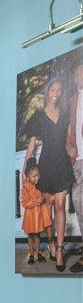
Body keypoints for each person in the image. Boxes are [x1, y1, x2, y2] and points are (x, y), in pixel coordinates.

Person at [24, 76, 73, 271]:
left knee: (60, 204)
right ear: (47, 92)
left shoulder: (65, 114)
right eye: (53, 90)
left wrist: (72, 149)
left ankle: (59, 250)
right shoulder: (38, 117)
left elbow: (69, 137)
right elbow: (31, 148)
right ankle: (51, 242)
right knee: (48, 207)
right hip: (45, 165)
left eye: (59, 90)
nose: (56, 94)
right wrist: (25, 173)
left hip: (62, 163)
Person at [66, 62, 83, 273]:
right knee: (78, 202)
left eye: (80, 74)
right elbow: (70, 127)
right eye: (76, 75)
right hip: (77, 159)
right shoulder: (73, 99)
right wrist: (69, 146)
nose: (77, 77)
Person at [20, 162, 52, 265]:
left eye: (38, 175)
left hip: (37, 216)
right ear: (28, 178)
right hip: (30, 216)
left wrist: (42, 199)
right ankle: (32, 254)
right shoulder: (25, 189)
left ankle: (37, 254)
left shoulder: (38, 187)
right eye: (34, 176)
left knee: (37, 235)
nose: (37, 178)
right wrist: (36, 202)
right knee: (30, 235)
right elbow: (25, 203)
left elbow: (41, 199)